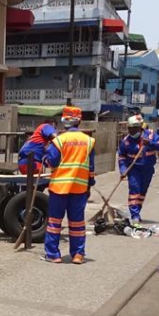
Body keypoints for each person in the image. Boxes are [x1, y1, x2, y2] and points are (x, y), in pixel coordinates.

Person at [32, 106, 95, 264]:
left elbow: (51, 161)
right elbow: (91, 168)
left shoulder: (59, 140)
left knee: (54, 222)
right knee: (77, 223)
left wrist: (45, 156)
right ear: (79, 121)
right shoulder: (89, 141)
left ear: (63, 121)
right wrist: (90, 184)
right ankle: (78, 255)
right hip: (79, 188)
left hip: (60, 187)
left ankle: (54, 255)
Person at [118, 115, 159, 225]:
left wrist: (150, 144)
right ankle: (134, 215)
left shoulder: (150, 136)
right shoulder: (126, 141)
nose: (131, 131)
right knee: (134, 190)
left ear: (140, 128)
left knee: (142, 192)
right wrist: (123, 171)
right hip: (134, 169)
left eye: (134, 128)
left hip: (147, 169)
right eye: (130, 128)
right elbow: (122, 157)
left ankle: (138, 211)